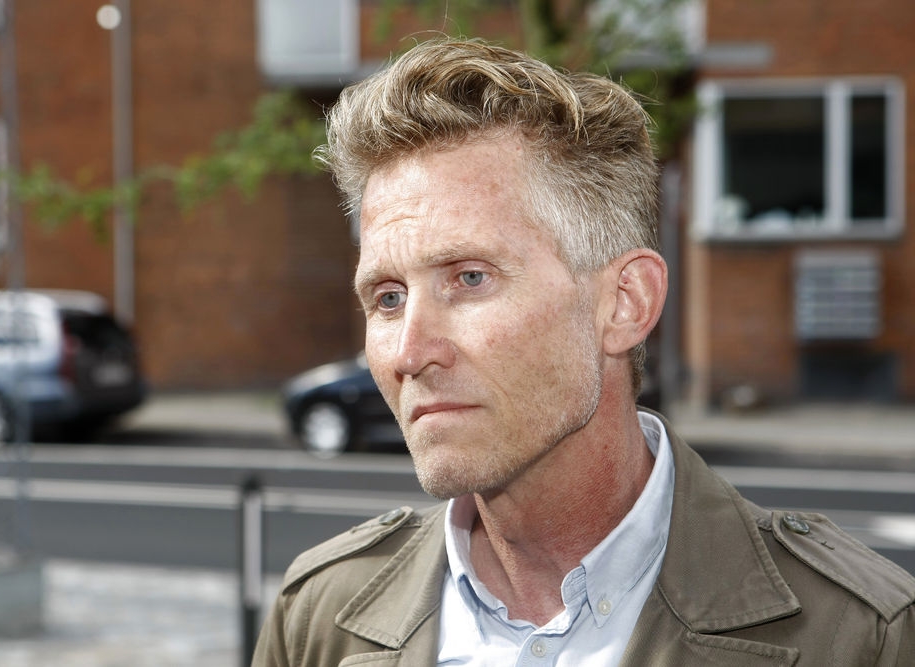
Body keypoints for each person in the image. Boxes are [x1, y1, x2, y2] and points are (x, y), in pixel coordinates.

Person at [253, 39, 915, 666]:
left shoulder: (859, 635)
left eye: (470, 278)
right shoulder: (320, 617)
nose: (409, 352)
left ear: (625, 303)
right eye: (389, 297)